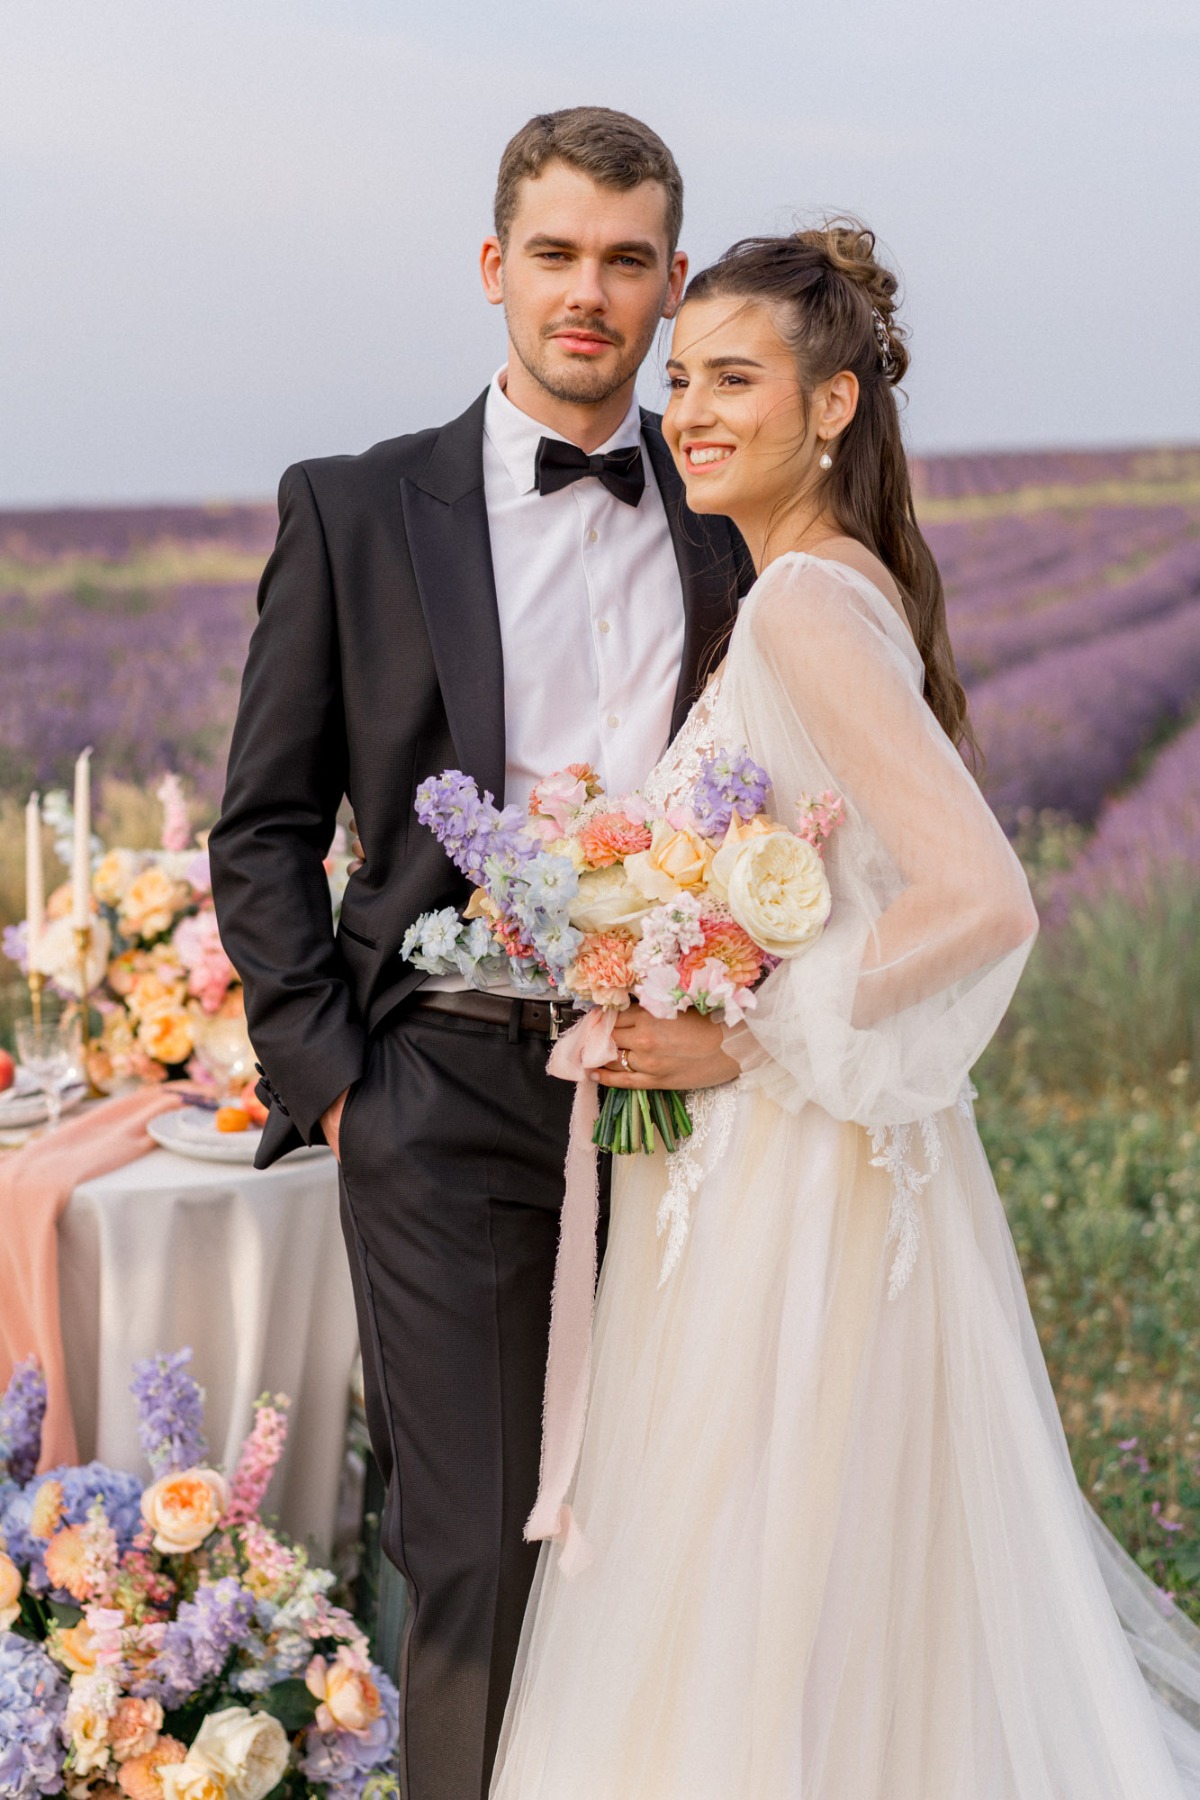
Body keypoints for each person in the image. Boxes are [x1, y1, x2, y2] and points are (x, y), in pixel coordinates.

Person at [489, 224, 1200, 1798]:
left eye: (734, 379)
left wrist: (739, 1032)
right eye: (683, 380)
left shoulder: (805, 601)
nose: (692, 411)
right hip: (787, 1166)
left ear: (832, 409)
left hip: (788, 1182)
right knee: (828, 1582)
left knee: (764, 1566)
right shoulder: (824, 586)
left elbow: (979, 897)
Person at [208, 108, 750, 1800]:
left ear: (672, 283)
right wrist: (344, 1091)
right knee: (476, 1561)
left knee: (683, 1546)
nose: (588, 294)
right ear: (495, 266)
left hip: (698, 1108)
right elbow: (265, 829)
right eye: (557, 254)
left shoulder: (742, 521)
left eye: (627, 260)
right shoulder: (359, 508)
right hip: (441, 1090)